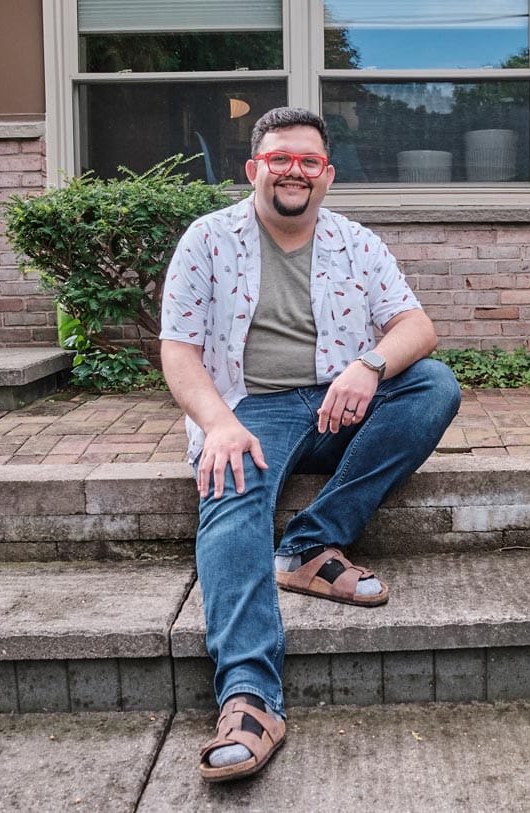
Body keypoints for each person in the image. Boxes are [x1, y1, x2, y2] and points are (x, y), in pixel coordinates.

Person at [159, 107, 461, 783]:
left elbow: (417, 324)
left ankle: (307, 544)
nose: (294, 171)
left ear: (327, 175)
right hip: (252, 406)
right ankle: (249, 698)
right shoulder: (207, 241)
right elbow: (178, 352)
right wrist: (219, 423)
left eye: (308, 161)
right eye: (280, 159)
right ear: (254, 169)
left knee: (434, 386)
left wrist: (369, 365)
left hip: (335, 401)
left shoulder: (356, 242)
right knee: (231, 484)